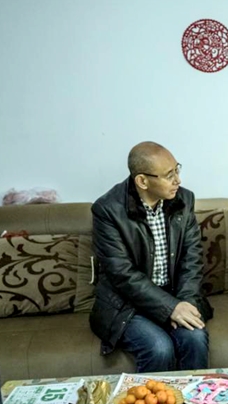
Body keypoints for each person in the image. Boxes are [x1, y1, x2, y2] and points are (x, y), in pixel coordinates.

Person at [90, 141, 211, 372]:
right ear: (142, 181)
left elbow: (192, 259)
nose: (178, 180)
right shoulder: (107, 210)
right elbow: (121, 274)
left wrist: (184, 302)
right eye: (169, 175)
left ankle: (194, 396)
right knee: (159, 347)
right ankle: (155, 397)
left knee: (195, 338)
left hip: (175, 294)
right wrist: (170, 307)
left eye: (177, 170)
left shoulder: (184, 200)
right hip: (127, 303)